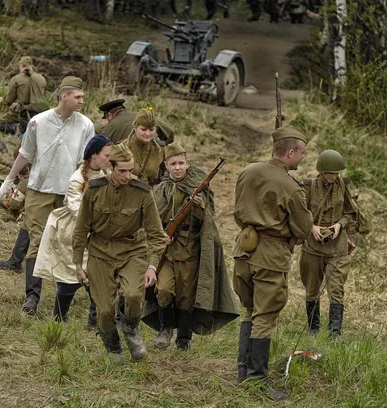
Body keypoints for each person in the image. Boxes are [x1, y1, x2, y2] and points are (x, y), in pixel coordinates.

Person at [0, 76, 95, 316]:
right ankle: (32, 297)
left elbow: (88, 162)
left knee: (71, 242)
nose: (82, 100)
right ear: (64, 96)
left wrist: (88, 188)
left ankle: (66, 297)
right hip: (40, 189)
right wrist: (9, 180)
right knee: (37, 240)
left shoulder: (85, 125)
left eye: (83, 96)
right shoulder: (38, 122)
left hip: (70, 192)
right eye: (78, 97)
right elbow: (25, 154)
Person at [232, 126, 313, 400]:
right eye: (301, 153)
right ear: (290, 152)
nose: (303, 158)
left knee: (249, 309)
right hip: (271, 255)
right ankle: (257, 379)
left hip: (243, 249)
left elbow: (237, 211)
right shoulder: (292, 187)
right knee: (264, 316)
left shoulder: (247, 171)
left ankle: (243, 371)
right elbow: (303, 228)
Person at [72, 143, 167, 362]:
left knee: (133, 295)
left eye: (130, 170)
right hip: (99, 252)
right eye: (121, 170)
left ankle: (132, 329)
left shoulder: (142, 192)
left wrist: (152, 266)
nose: (127, 175)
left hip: (132, 250)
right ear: (110, 167)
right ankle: (112, 346)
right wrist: (78, 264)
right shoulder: (94, 190)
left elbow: (156, 234)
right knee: (104, 311)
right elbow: (81, 229)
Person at [141, 143, 239, 351]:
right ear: (166, 165)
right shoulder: (159, 190)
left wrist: (200, 207)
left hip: (190, 250)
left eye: (181, 163)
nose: (178, 167)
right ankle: (166, 328)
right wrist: (160, 236)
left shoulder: (198, 186)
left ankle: (184, 339)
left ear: (187, 164)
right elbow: (151, 220)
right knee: (164, 288)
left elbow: (209, 221)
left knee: (187, 296)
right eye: (173, 163)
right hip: (166, 252)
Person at [33, 134, 112, 330]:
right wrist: (99, 222)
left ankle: (95, 323)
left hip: (97, 233)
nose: (109, 159)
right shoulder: (77, 179)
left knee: (97, 279)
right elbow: (77, 209)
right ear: (94, 156)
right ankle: (59, 318)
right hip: (76, 233)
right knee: (71, 280)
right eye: (106, 155)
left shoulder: (106, 176)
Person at [300, 150, 366, 337]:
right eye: (330, 173)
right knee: (312, 289)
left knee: (336, 289)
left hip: (337, 246)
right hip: (313, 246)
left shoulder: (343, 187)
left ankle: (334, 334)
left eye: (336, 173)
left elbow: (351, 214)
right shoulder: (309, 187)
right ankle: (313, 330)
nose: (333, 177)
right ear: (321, 172)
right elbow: (299, 212)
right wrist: (311, 227)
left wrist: (339, 225)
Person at [0, 56, 48, 135]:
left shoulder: (16, 79)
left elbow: (9, 100)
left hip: (24, 113)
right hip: (41, 113)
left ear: (22, 66)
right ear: (32, 66)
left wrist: (2, 100)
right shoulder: (42, 78)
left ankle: (17, 128)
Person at [118, 108, 164, 186]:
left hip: (148, 195)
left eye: (151, 129)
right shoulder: (122, 148)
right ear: (135, 128)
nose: (148, 133)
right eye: (143, 129)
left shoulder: (159, 150)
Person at [98, 99, 174, 145]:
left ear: (109, 115)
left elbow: (101, 147)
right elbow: (170, 133)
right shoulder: (143, 117)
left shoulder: (109, 128)